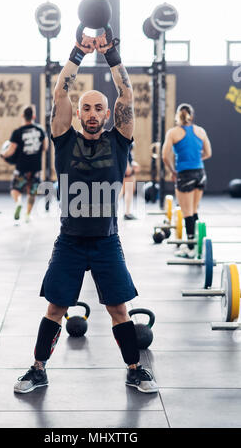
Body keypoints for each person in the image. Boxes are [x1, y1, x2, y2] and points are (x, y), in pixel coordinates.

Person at [14, 33, 158, 395]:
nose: (93, 113)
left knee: (119, 310)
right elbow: (60, 93)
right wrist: (78, 52)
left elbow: (127, 94)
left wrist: (112, 55)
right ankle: (37, 369)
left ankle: (135, 369)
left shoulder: (119, 139)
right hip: (71, 241)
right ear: (78, 113)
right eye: (87, 108)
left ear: (107, 114)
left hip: (107, 242)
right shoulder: (63, 138)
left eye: (98, 108)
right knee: (55, 308)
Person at [162, 103, 212, 258]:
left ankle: (190, 248)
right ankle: (196, 245)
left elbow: (164, 156)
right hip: (200, 173)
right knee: (194, 210)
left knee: (187, 213)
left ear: (177, 115)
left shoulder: (173, 132)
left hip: (185, 175)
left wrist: (173, 171)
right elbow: (208, 153)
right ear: (192, 115)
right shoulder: (201, 131)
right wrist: (196, 159)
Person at [1, 105, 48, 223]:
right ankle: (27, 214)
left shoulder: (17, 132)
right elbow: (45, 147)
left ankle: (18, 203)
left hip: (22, 166)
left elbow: (10, 151)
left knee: (15, 188)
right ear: (34, 116)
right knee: (32, 191)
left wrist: (3, 154)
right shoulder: (40, 130)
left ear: (22, 116)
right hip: (36, 166)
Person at [119, 143, 140, 220]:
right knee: (126, 191)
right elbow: (124, 154)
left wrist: (132, 164)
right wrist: (128, 168)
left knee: (122, 191)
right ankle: (127, 213)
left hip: (125, 166)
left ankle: (127, 212)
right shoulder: (122, 138)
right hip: (125, 169)